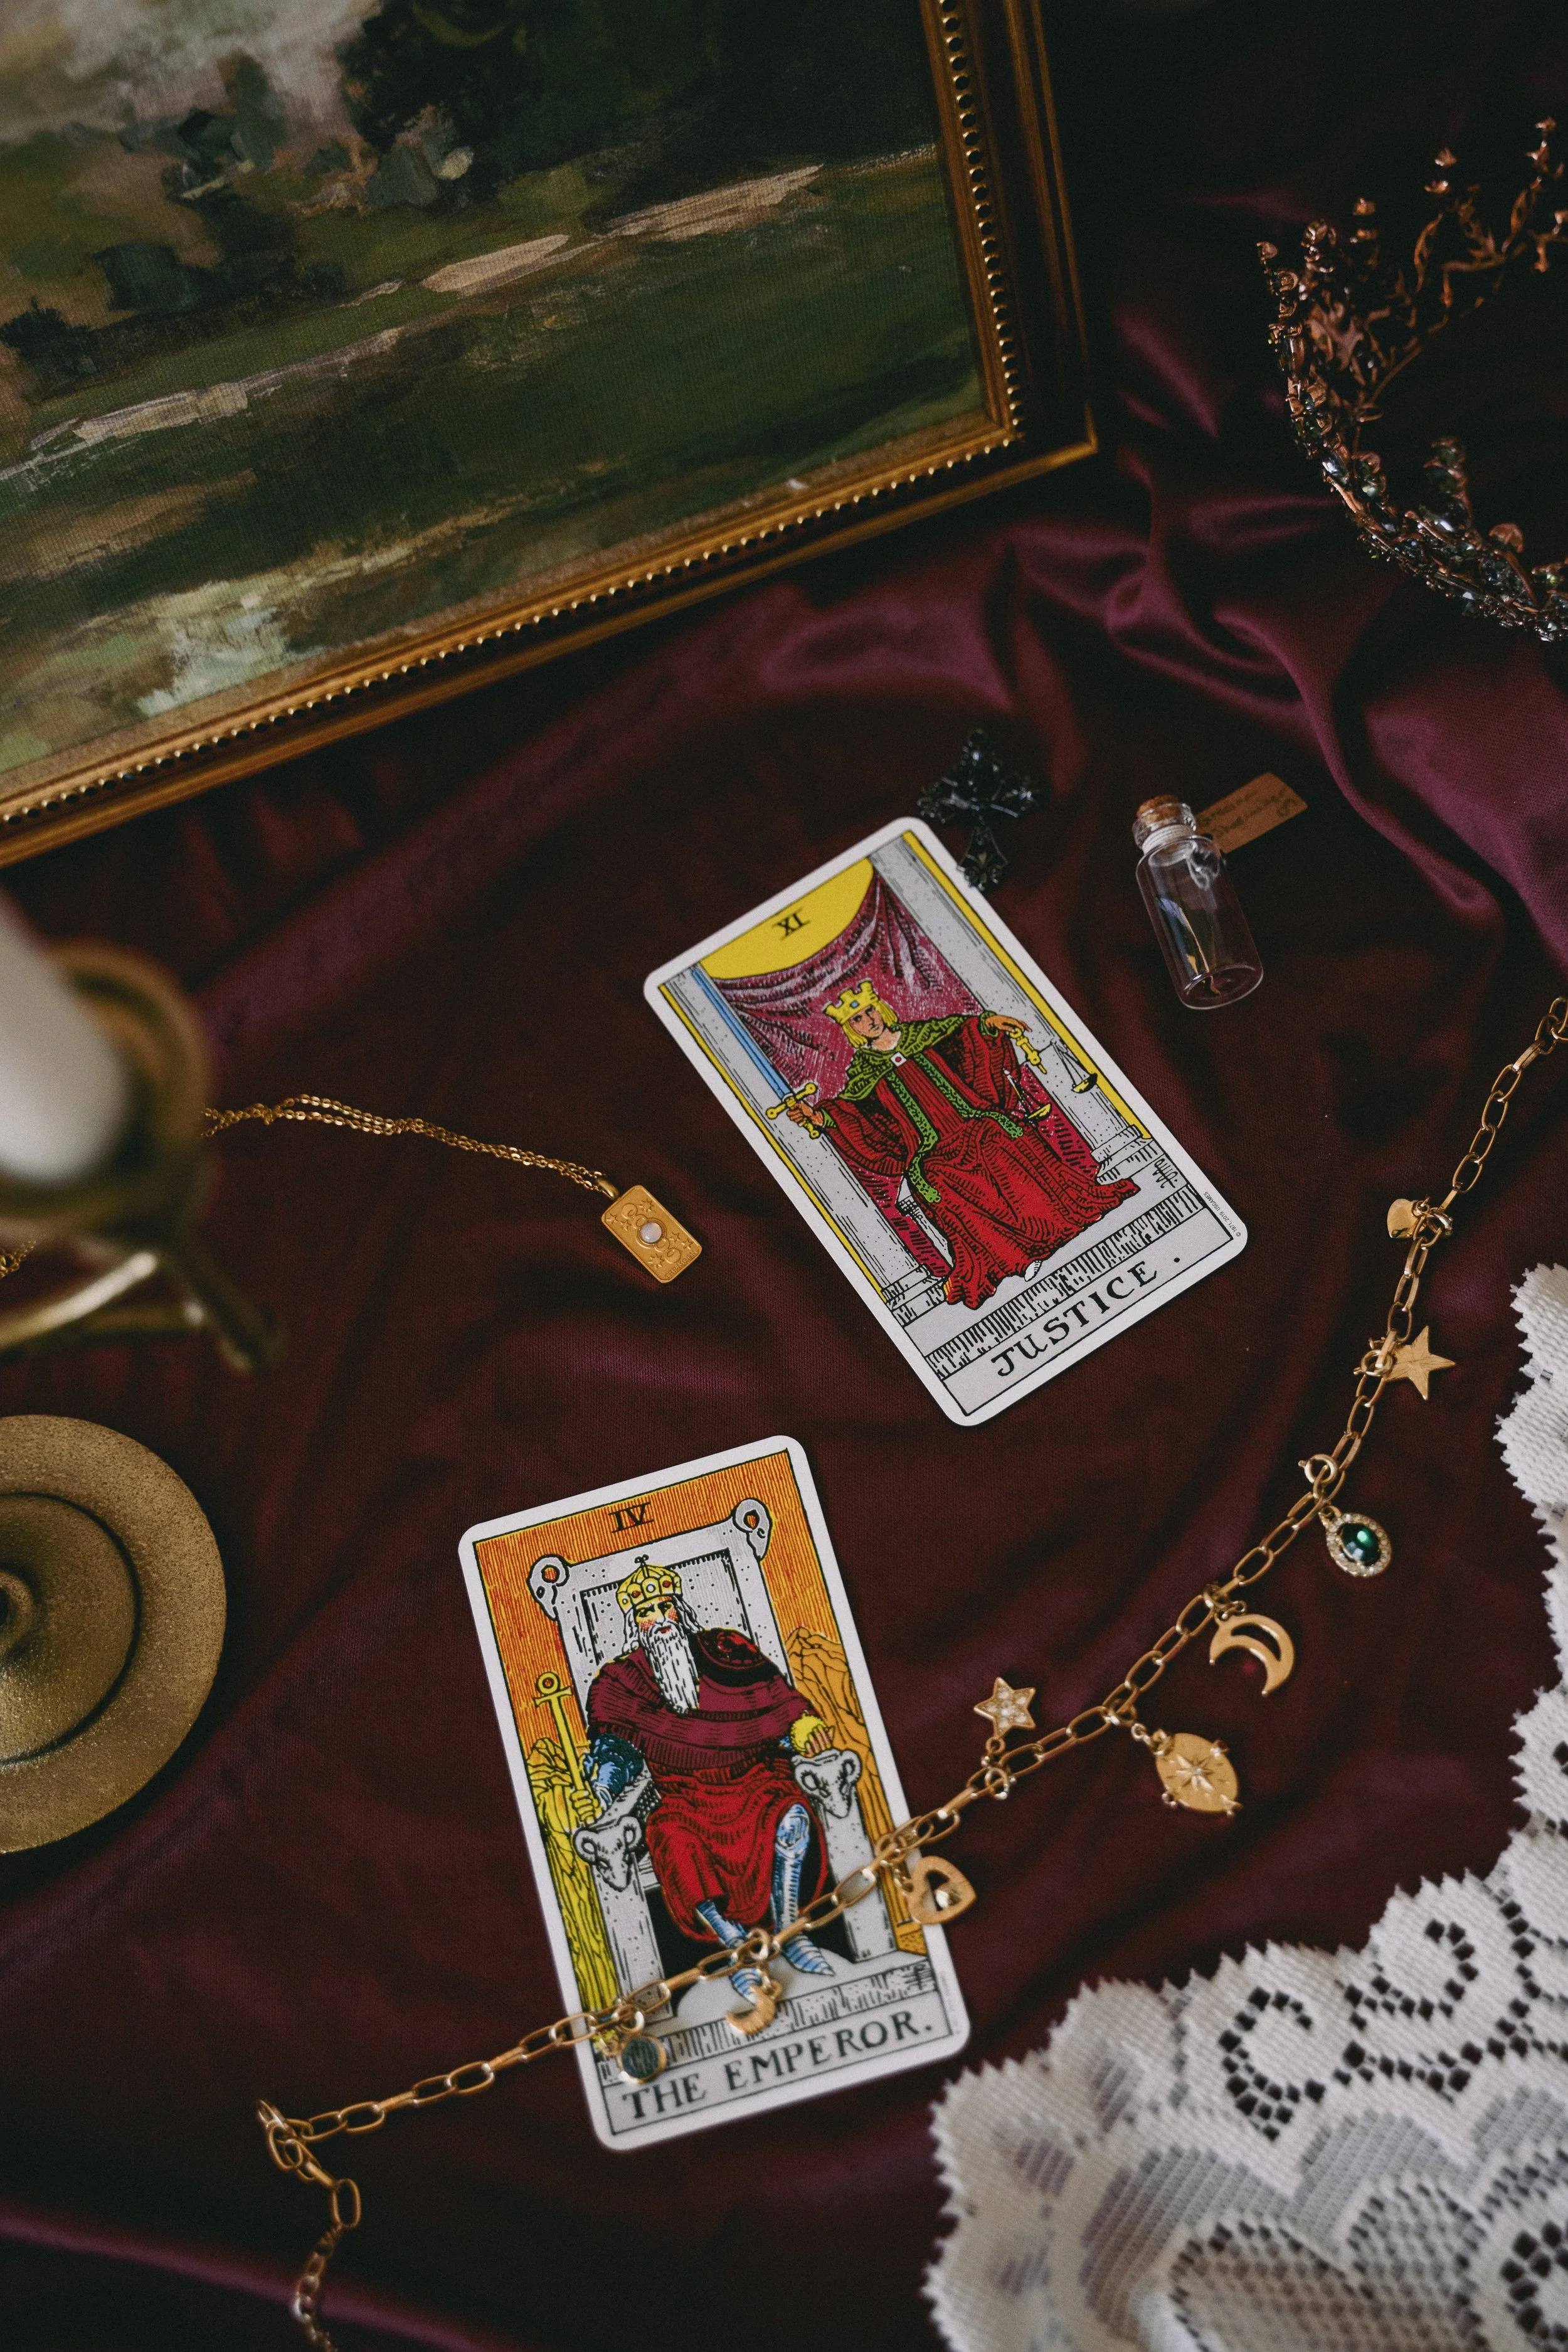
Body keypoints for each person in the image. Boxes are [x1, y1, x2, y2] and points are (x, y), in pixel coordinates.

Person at [785, 980, 1137, 1310]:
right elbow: (852, 1114)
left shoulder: (925, 1033)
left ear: (882, 1008)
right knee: (938, 1181)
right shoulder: (862, 1071)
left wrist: (989, 1023)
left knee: (1002, 1143)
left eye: (870, 1011)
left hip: (974, 1122)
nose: (868, 1021)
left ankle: (1049, 1228)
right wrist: (818, 1118)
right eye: (858, 1019)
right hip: (930, 1150)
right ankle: (1017, 1258)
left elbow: (969, 1033)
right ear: (852, 1029)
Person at [583, 1559, 835, 1991]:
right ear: (635, 1623)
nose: (660, 1620)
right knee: (670, 1837)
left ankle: (791, 1934)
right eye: (647, 1612)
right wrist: (606, 1784)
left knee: (791, 1815)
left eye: (665, 1608)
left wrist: (800, 1724)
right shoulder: (620, 1680)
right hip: (685, 1796)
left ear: (679, 1609)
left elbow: (776, 1699)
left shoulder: (725, 1649)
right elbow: (614, 1747)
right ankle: (738, 1950)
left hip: (755, 1778)